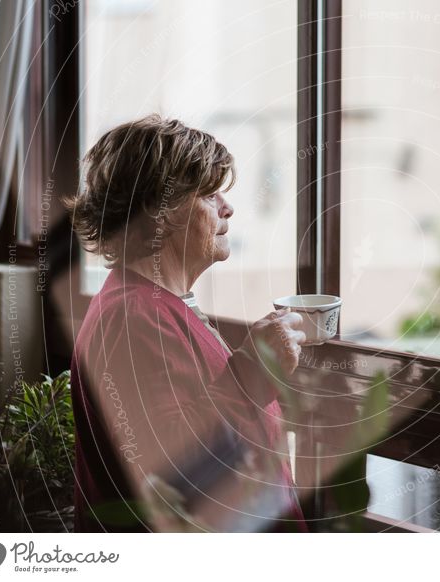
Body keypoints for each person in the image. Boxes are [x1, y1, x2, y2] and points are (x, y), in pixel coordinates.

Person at [65, 114, 308, 532]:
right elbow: (175, 469)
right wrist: (255, 367)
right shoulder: (133, 315)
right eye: (210, 194)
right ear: (157, 212)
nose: (227, 207)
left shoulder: (153, 305)